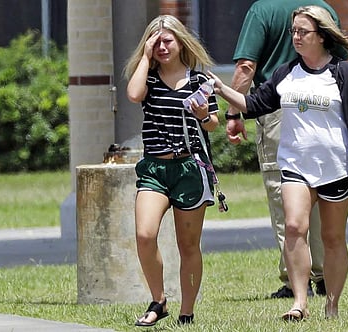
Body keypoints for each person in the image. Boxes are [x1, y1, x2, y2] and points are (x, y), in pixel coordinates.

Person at [209, 5, 348, 320]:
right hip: (294, 164)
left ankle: (332, 304)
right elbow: (255, 104)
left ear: (322, 36)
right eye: (294, 32)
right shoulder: (286, 72)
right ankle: (299, 302)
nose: (296, 37)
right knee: (293, 227)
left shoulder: (342, 72)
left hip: (335, 167)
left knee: (332, 238)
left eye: (303, 32)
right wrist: (223, 91)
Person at [227, 0, 348, 299]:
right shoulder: (323, 8)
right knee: (322, 188)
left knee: (285, 193)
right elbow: (341, 62)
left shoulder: (263, 10)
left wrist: (233, 113)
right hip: (325, 108)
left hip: (281, 105)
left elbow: (246, 67)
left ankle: (296, 279)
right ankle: (321, 274)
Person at [124, 15, 219, 327]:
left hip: (190, 168)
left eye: (167, 41)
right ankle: (159, 300)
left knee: (188, 245)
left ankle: (187, 312)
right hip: (154, 167)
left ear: (181, 42)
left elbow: (212, 125)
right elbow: (134, 95)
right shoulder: (148, 78)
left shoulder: (199, 80)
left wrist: (204, 114)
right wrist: (145, 55)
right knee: (144, 234)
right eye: (155, 42)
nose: (162, 47)